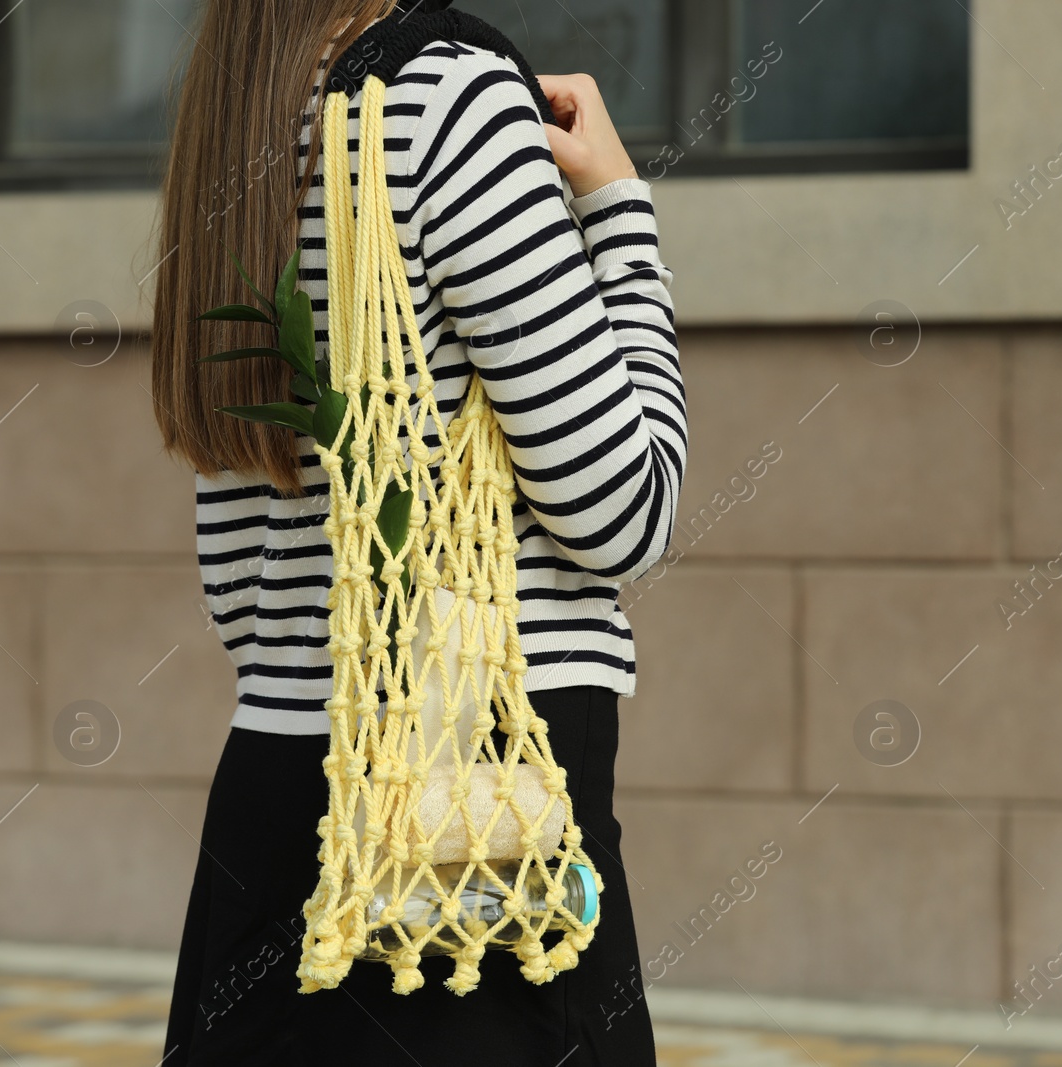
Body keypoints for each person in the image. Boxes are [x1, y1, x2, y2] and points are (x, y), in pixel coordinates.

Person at [148, 1, 686, 1063]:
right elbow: (627, 511)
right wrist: (620, 209)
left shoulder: (240, 115)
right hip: (470, 817)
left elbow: (236, 576)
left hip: (269, 797)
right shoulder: (454, 98)